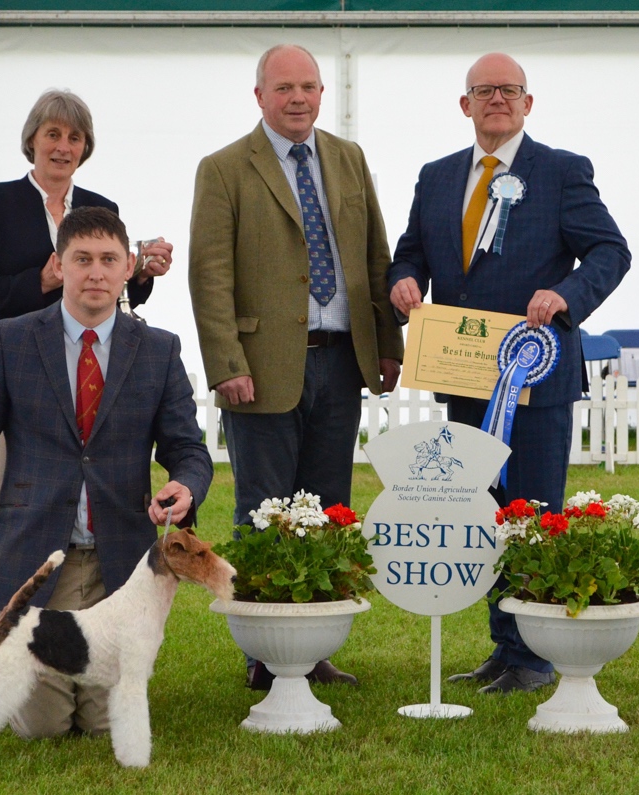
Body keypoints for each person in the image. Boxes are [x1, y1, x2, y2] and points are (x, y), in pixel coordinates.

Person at [387, 53, 631, 694]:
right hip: (463, 373)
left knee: (533, 512)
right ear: (464, 106)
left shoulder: (561, 171)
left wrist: (565, 296)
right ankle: (505, 645)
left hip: (537, 378)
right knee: (483, 513)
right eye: (483, 91)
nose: (497, 99)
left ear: (528, 103)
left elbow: (610, 250)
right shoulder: (436, 177)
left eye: (509, 90)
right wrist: (403, 279)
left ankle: (534, 656)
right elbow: (411, 249)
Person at [0, 206, 213, 739]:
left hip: (121, 566)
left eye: (109, 259)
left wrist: (185, 485)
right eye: (81, 259)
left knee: (103, 724)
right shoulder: (11, 342)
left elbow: (189, 450)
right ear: (59, 266)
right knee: (45, 728)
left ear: (128, 266)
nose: (96, 272)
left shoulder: (159, 350)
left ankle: (15, 676)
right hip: (30, 558)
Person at [188, 44, 404, 689]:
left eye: (309, 86)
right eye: (284, 87)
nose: (299, 98)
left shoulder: (348, 158)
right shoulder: (224, 168)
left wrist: (386, 344)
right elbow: (209, 273)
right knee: (264, 511)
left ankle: (310, 646)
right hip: (258, 369)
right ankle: (264, 652)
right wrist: (226, 361)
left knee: (329, 508)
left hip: (342, 364)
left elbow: (375, 256)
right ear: (259, 96)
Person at [0, 88, 172, 323]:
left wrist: (141, 275)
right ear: (31, 139)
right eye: (53, 134)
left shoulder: (102, 208)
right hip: (19, 351)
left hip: (89, 350)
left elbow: (114, 296)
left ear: (84, 148)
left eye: (74, 138)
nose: (63, 147)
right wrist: (40, 282)